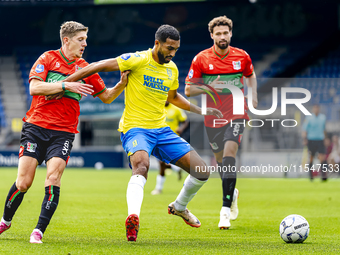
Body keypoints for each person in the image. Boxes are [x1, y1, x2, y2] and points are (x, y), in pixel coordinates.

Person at [62, 24, 222, 242]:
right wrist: (66, 82)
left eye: (176, 49)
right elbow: (98, 65)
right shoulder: (137, 59)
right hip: (135, 128)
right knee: (142, 166)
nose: (172, 53)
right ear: (157, 43)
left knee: (202, 171)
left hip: (162, 130)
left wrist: (201, 110)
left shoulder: (171, 69)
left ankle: (179, 206)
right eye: (169, 48)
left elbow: (173, 98)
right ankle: (133, 218)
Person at [0, 21, 129, 244]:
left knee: (53, 178)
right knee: (23, 183)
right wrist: (67, 85)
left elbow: (106, 97)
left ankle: (38, 230)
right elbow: (35, 88)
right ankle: (5, 220)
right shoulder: (48, 58)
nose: (85, 44)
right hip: (35, 127)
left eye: (85, 40)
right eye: (81, 40)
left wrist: (121, 84)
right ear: (66, 40)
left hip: (63, 133)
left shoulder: (85, 67)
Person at [184, 16, 258, 229]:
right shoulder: (201, 59)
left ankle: (224, 211)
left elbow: (250, 74)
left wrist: (252, 95)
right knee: (220, 162)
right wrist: (210, 88)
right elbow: (188, 90)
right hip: (213, 116)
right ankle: (231, 192)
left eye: (225, 33)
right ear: (212, 36)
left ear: (230, 34)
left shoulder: (242, 56)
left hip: (237, 112)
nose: (222, 36)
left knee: (228, 156)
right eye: (218, 33)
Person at [151, 101, 189, 195]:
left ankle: (158, 188)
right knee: (162, 163)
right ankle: (176, 168)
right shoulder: (157, 108)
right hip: (159, 139)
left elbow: (185, 121)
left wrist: (181, 129)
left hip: (172, 140)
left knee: (161, 163)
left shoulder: (176, 109)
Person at [302, 105, 328, 181]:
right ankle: (311, 176)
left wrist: (326, 138)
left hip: (320, 139)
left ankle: (323, 176)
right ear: (313, 109)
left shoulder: (323, 117)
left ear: (319, 109)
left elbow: (324, 129)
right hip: (311, 140)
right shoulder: (308, 118)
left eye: (317, 108)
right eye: (315, 108)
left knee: (322, 158)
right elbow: (304, 130)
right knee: (311, 158)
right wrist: (305, 139)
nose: (316, 110)